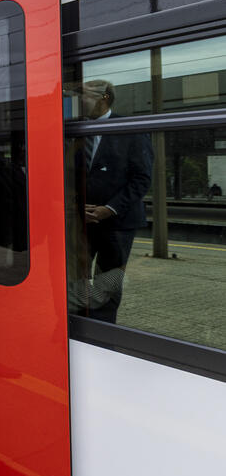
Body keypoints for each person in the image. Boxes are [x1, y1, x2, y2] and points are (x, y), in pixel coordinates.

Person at [79, 80, 153, 323]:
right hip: (80, 220)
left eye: (85, 96)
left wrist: (109, 209)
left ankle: (102, 326)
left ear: (104, 98)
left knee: (108, 279)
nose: (80, 101)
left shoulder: (129, 129)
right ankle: (77, 320)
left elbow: (142, 178)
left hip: (118, 223)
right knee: (74, 274)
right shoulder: (76, 130)